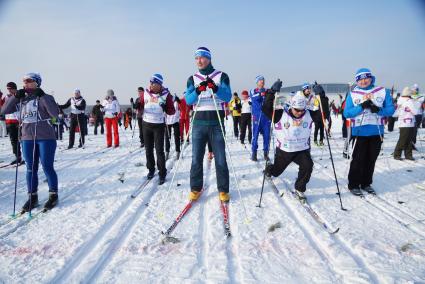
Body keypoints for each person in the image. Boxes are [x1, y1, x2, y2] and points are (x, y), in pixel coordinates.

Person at [1, 73, 59, 211]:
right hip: (27, 137)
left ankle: (53, 195)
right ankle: (32, 197)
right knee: (30, 168)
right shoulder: (21, 99)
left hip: (45, 137)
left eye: (28, 80)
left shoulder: (46, 97)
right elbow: (4, 111)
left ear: (36, 82)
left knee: (47, 166)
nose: (25, 83)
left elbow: (54, 114)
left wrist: (42, 96)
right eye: (23, 81)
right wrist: (15, 97)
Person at [185, 46, 232, 202]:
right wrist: (198, 90)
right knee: (196, 158)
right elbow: (188, 100)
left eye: (202, 57)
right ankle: (195, 188)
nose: (199, 61)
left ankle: (223, 190)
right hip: (198, 123)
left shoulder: (221, 75)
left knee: (220, 158)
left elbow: (227, 96)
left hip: (216, 123)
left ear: (209, 58)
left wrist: (215, 87)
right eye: (196, 58)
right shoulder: (192, 78)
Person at [343, 68, 395, 196]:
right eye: (360, 79)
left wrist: (378, 110)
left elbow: (391, 110)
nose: (363, 81)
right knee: (358, 160)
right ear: (357, 81)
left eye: (366, 78)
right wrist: (361, 107)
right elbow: (347, 113)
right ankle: (354, 184)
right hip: (359, 132)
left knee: (371, 159)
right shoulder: (353, 93)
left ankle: (366, 183)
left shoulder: (382, 91)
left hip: (376, 131)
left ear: (371, 78)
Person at [264, 89, 313, 201]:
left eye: (302, 110)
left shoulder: (308, 114)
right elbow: (266, 109)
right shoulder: (281, 114)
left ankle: (299, 189)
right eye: (297, 110)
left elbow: (324, 114)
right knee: (276, 172)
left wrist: (322, 96)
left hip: (301, 149)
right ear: (291, 106)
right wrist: (271, 92)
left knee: (308, 165)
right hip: (285, 151)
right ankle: (269, 169)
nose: (300, 112)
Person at [140, 74, 175, 184]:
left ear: (159, 84)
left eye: (153, 83)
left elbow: (172, 111)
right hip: (146, 124)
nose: (150, 85)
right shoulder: (146, 92)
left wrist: (166, 108)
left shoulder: (166, 95)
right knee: (148, 149)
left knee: (159, 151)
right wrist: (137, 105)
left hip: (158, 125)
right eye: (150, 82)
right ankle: (151, 169)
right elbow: (141, 105)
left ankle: (162, 173)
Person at [250, 75, 271, 161]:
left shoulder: (267, 90)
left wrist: (273, 91)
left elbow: (271, 98)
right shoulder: (253, 91)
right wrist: (260, 93)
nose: (262, 81)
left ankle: (266, 153)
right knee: (255, 135)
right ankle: (254, 153)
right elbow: (254, 98)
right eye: (260, 80)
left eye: (263, 80)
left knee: (267, 136)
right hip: (257, 117)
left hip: (266, 117)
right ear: (257, 82)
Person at [393, 87, 418, 160]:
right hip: (408, 123)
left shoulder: (400, 101)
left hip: (403, 123)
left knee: (405, 139)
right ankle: (398, 154)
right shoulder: (409, 101)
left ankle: (406, 155)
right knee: (406, 140)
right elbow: (416, 112)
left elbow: (395, 114)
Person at [3, 82, 23, 164]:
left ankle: (26, 156)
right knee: (13, 141)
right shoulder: (6, 97)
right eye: (8, 89)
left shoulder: (20, 95)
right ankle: (17, 156)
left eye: (11, 89)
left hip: (19, 121)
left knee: (23, 139)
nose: (9, 90)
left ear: (15, 88)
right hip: (9, 121)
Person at [165, 94, 181, 160]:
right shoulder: (164, 100)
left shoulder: (175, 100)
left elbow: (180, 103)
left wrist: (178, 100)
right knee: (167, 137)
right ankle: (167, 151)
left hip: (175, 120)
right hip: (168, 121)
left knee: (176, 136)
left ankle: (177, 151)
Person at [411, 84, 425, 148]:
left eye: (416, 90)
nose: (414, 91)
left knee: (415, 130)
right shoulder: (409, 97)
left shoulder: (421, 97)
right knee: (409, 130)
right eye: (413, 89)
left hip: (418, 115)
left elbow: (423, 106)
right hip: (410, 115)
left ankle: (413, 144)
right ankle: (408, 144)